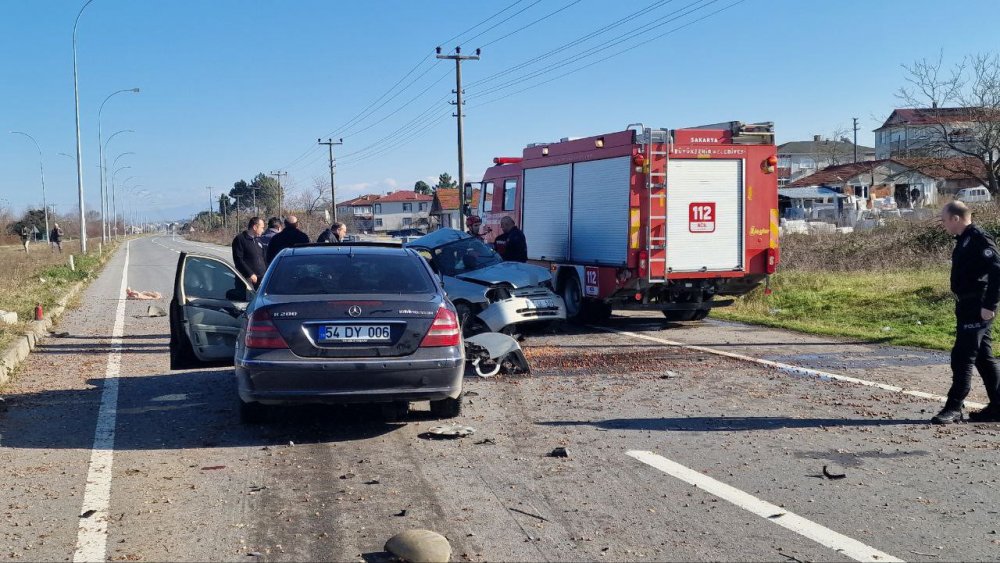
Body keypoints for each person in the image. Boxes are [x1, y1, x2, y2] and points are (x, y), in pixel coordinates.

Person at [934, 201, 1000, 424]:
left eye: (944, 220)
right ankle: (998, 406)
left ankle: (954, 407)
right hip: (966, 305)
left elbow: (997, 270)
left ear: (955, 218)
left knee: (962, 356)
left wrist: (990, 305)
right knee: (983, 357)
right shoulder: (964, 240)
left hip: (978, 305)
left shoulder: (978, 238)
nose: (943, 225)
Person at [232, 217, 267, 288]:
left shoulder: (258, 240)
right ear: (255, 227)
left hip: (261, 279)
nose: (263, 230)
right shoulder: (240, 239)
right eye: (262, 227)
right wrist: (250, 274)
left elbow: (263, 258)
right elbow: (238, 259)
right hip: (247, 280)